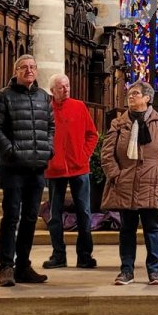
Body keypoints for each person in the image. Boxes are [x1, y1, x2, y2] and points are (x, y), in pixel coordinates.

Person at [0, 54, 55, 288]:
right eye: (24, 67)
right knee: (11, 217)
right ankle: (6, 267)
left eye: (32, 67)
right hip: (13, 168)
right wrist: (10, 151)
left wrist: (48, 149)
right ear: (15, 71)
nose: (29, 71)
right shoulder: (4, 96)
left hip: (36, 167)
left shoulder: (43, 97)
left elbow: (51, 126)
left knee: (30, 218)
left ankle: (23, 265)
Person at [101, 81, 158, 285]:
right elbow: (107, 154)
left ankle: (154, 271)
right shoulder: (118, 123)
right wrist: (116, 175)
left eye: (135, 93)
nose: (131, 96)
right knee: (127, 228)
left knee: (152, 227)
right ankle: (126, 270)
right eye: (129, 93)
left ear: (147, 98)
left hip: (152, 182)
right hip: (125, 181)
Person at [43, 72, 100, 270]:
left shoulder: (79, 106)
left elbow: (92, 134)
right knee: (55, 214)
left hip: (79, 167)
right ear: (53, 90)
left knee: (84, 212)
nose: (65, 89)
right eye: (61, 87)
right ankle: (58, 255)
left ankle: (85, 256)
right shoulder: (46, 110)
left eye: (67, 85)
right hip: (55, 169)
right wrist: (48, 158)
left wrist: (84, 155)